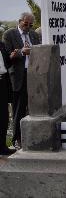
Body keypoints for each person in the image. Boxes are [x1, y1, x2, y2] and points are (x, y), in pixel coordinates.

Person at [3, 12, 41, 149]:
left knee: (34, 108)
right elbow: (7, 56)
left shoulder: (34, 35)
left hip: (33, 75)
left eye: (31, 25)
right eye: (26, 24)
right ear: (20, 21)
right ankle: (17, 139)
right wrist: (21, 52)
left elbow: (39, 50)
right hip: (18, 77)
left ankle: (32, 136)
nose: (28, 27)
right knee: (18, 109)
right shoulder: (9, 34)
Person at [0, 41, 16, 155]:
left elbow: (7, 63)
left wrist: (11, 56)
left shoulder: (1, 44)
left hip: (3, 81)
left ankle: (2, 146)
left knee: (3, 116)